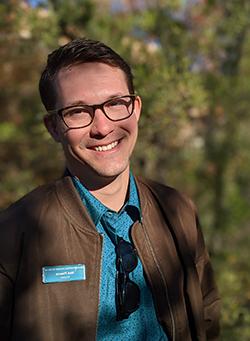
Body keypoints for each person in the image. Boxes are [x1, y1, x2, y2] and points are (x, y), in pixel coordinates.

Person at [0, 38, 220, 341]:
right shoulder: (14, 231)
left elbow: (207, 317)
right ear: (53, 127)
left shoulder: (178, 211)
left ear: (136, 108)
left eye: (116, 103)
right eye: (78, 111)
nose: (102, 127)